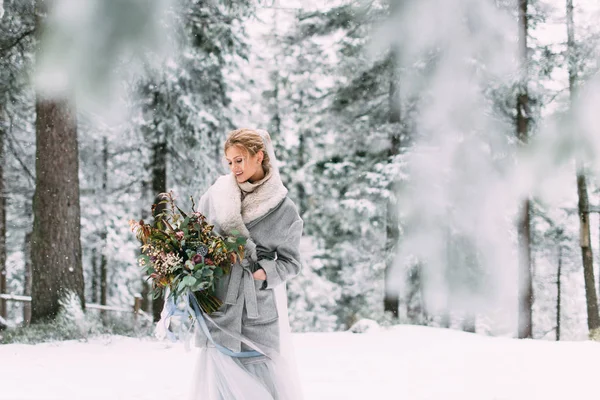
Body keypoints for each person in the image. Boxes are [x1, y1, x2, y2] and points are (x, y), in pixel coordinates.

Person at [189, 128, 304, 400]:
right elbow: (195, 240)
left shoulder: (283, 208)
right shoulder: (216, 195)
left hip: (257, 307)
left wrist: (265, 273)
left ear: (259, 156)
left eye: (239, 160)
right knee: (219, 381)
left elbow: (292, 261)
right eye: (229, 162)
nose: (234, 168)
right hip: (219, 302)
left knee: (260, 381)